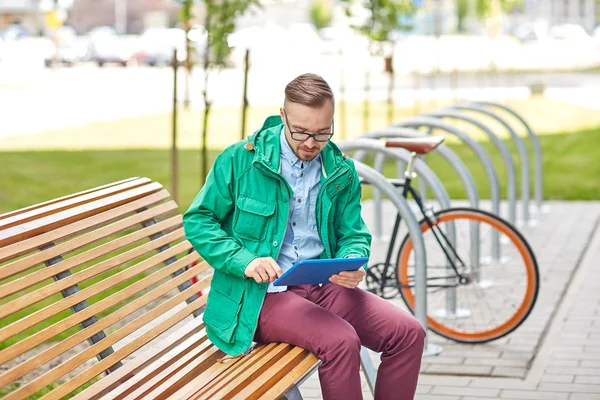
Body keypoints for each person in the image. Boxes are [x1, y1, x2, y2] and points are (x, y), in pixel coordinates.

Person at [183, 73, 425, 399]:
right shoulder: (241, 159)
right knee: (341, 341)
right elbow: (199, 220)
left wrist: (353, 262)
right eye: (300, 132)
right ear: (282, 116)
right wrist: (246, 261)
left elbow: (353, 232)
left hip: (324, 286)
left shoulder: (340, 170)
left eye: (322, 133)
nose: (311, 143)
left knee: (408, 334)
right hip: (260, 295)